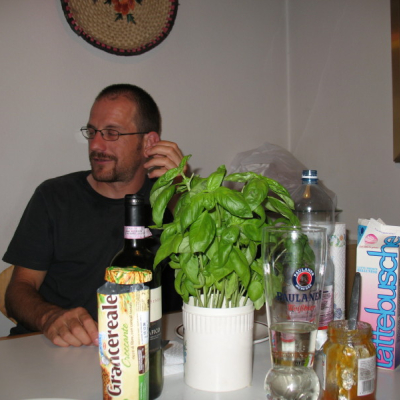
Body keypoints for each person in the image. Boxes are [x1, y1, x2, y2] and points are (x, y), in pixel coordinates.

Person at [3, 84, 186, 348]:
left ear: (148, 143)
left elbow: (215, 278)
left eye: (111, 133)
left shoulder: (171, 201)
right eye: (92, 132)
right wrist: (49, 317)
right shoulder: (54, 196)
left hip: (140, 351)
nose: (96, 145)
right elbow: (18, 290)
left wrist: (182, 192)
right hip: (59, 350)